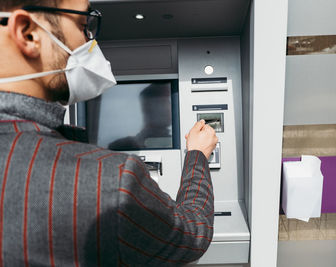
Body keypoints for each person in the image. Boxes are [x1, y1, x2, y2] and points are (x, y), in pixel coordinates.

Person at [0, 0, 218, 266]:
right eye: (83, 26)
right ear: (28, 32)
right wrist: (197, 154)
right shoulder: (110, 180)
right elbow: (191, 233)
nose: (91, 43)